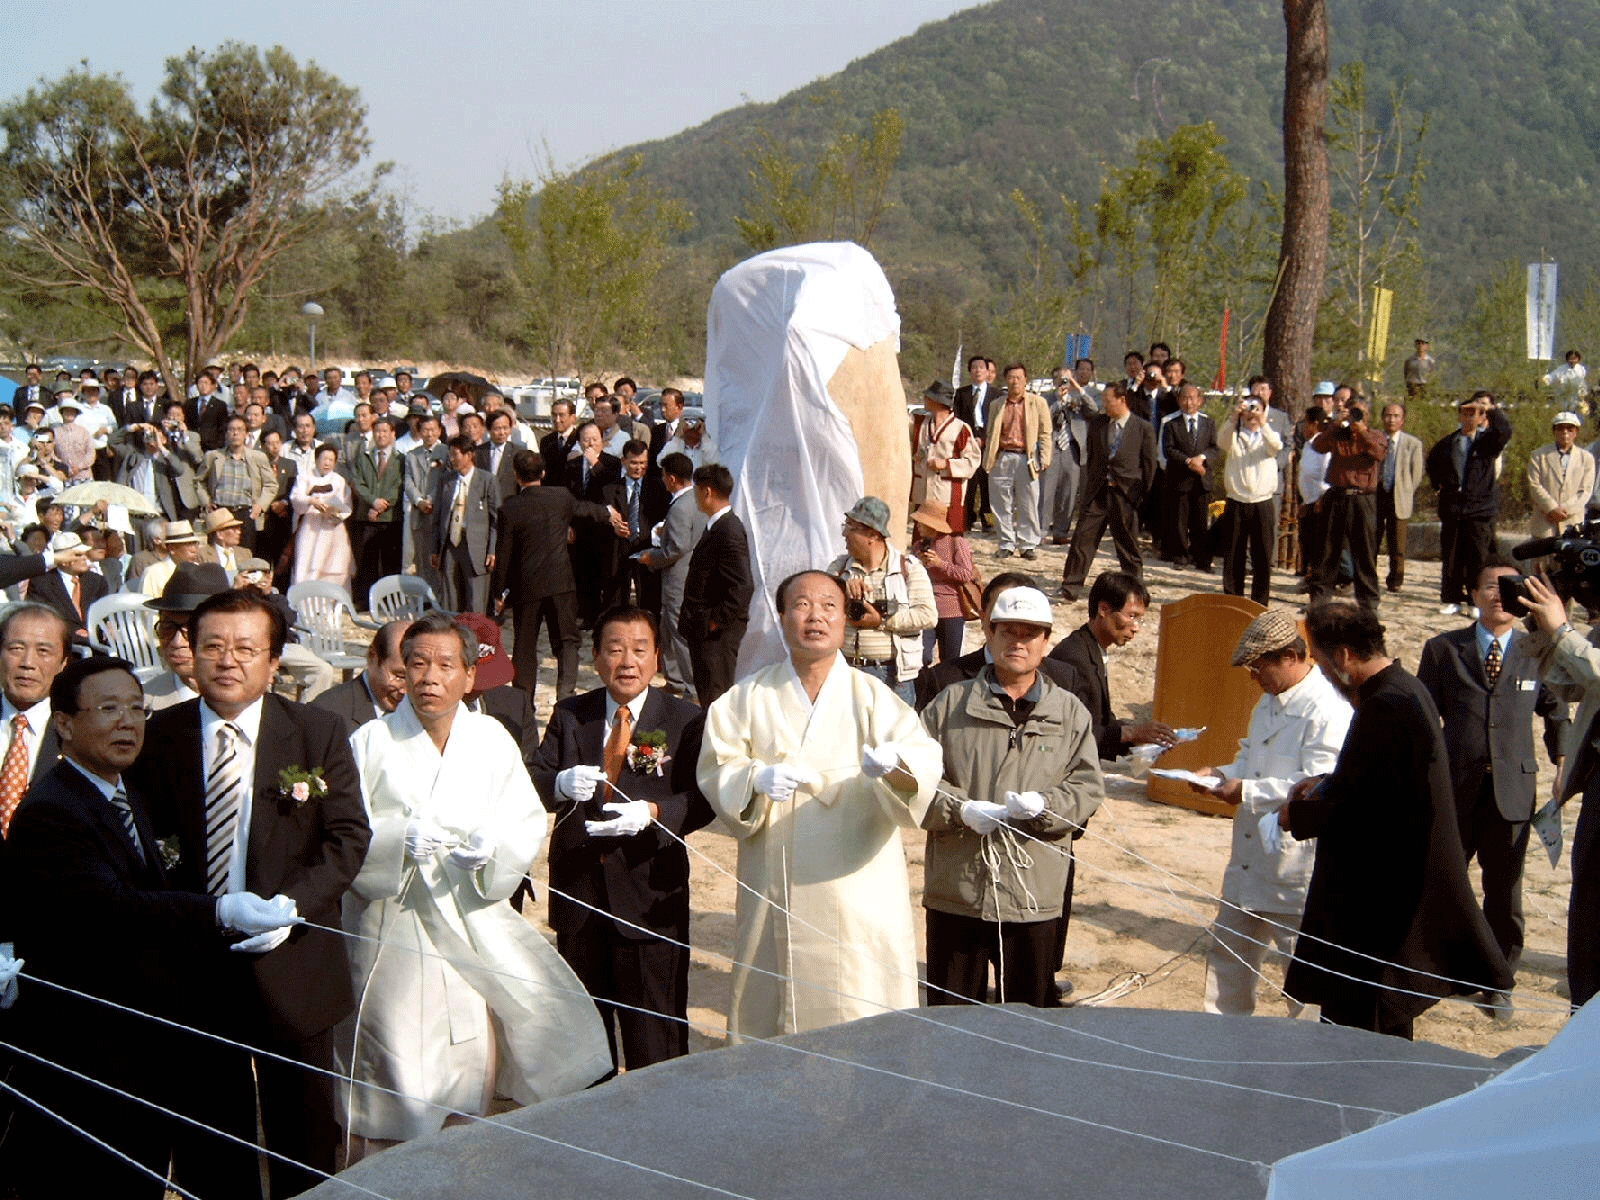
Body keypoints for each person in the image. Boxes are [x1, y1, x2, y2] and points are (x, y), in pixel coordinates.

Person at [2, 657, 298, 1198]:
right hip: (85, 1046)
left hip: (135, 1043)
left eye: (137, 709)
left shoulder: (121, 792)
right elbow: (114, 909)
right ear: (65, 723)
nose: (128, 722)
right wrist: (220, 912)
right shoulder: (54, 809)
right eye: (108, 708)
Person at [128, 588, 371, 1197]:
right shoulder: (157, 738)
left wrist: (292, 908)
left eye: (244, 648)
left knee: (305, 1141)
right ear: (189, 651)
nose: (227, 660)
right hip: (192, 970)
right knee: (211, 1142)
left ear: (273, 660)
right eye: (211, 645)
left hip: (292, 971)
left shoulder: (317, 731)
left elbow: (346, 839)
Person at [342, 612, 609, 1155]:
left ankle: (461, 1165)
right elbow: (345, 831)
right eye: (415, 664)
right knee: (396, 1059)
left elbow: (524, 817)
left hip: (470, 919)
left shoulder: (489, 738)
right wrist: (396, 839)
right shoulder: (371, 741)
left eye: (445, 665)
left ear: (470, 675)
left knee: (467, 1058)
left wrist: (494, 846)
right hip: (397, 925)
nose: (428, 677)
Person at [697, 570, 944, 1039]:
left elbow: (923, 762)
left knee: (859, 990)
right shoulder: (745, 698)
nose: (816, 616)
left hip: (857, 876)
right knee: (774, 993)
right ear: (782, 615)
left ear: (845, 619)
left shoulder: (874, 697)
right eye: (802, 605)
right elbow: (718, 767)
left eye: (829, 605)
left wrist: (893, 767)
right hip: (777, 873)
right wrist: (754, 779)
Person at [1277, 601, 1512, 1039]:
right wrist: (1327, 782)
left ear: (1343, 656)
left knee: (1364, 1043)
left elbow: (1369, 811)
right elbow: (1380, 780)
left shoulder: (1389, 704)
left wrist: (1300, 813)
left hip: (1377, 914)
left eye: (1323, 660)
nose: (1323, 671)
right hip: (1384, 905)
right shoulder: (1401, 690)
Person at [531, 606, 713, 1071]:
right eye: (614, 649)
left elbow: (704, 800)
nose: (626, 662)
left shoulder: (685, 718)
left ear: (656, 658)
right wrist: (558, 783)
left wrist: (655, 813)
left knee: (656, 1035)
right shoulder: (572, 713)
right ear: (596, 657)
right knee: (585, 1034)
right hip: (581, 895)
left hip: (650, 897)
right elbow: (535, 777)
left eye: (638, 650)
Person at [919, 586, 1103, 1006]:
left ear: (1045, 641)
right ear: (990, 632)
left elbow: (1087, 786)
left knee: (1027, 1025)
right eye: (1008, 632)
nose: (1018, 642)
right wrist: (959, 809)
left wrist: (1047, 808)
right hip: (959, 889)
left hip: (1033, 892)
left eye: (1030, 633)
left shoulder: (1069, 711)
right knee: (951, 1021)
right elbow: (912, 779)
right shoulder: (950, 705)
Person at [1417, 559, 1565, 1021]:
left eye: (1507, 587)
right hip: (1454, 789)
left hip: (1513, 793)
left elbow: (1557, 713)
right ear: (1473, 593)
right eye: (1488, 587)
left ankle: (1499, 979)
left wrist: (1564, 766)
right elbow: (1423, 717)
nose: (1498, 595)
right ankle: (1445, 971)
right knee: (1447, 882)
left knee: (1505, 893)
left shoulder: (1537, 649)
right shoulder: (1443, 649)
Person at [1189, 610, 1352, 1017]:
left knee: (1304, 977)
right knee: (1228, 960)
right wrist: (1221, 774)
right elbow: (1251, 757)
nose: (1253, 675)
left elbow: (1318, 785)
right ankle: (1223, 1045)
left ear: (1290, 657)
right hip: (1248, 863)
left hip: (1295, 869)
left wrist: (1247, 790)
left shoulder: (1327, 709)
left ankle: (1303, 1063)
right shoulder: (1268, 702)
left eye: (1259, 665)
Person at [1523, 573, 1600, 1008]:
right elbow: (1571, 684)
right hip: (1596, 783)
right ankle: (1583, 1010)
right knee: (1588, 902)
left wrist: (1562, 631)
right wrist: (1540, 632)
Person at [490, 449, 617, 703]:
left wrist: (498, 592)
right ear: (544, 473)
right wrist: (609, 512)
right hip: (560, 582)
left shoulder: (510, 508)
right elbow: (585, 509)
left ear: (516, 475)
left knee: (524, 646)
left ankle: (524, 700)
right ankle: (566, 694)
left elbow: (502, 556)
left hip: (526, 587)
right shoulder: (560, 497)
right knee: (567, 642)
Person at [827, 495, 936, 703]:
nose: (844, 534)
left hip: (892, 675)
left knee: (892, 735)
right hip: (844, 672)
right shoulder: (839, 569)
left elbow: (928, 616)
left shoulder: (908, 569)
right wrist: (842, 592)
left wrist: (881, 620)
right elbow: (821, 606)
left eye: (850, 527)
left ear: (872, 534)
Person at [1059, 383, 1157, 600]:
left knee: (1127, 545)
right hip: (1098, 493)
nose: (1104, 405)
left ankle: (1134, 589)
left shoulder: (1142, 428)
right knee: (1083, 539)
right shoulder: (1098, 424)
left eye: (1108, 400)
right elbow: (1093, 458)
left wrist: (1141, 496)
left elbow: (1149, 465)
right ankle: (1071, 585)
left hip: (1126, 495)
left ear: (1122, 400)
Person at [1425, 391, 1512, 616]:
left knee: (1478, 558)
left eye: (1475, 413)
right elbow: (1432, 462)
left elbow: (1505, 431)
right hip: (1453, 508)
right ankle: (1451, 598)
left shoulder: (1487, 443)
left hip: (1479, 509)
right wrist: (1438, 486)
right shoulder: (1449, 442)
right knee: (1451, 556)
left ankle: (1475, 601)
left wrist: (1490, 409)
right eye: (1465, 412)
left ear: (1483, 416)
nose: (1470, 417)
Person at [680, 463, 752, 706]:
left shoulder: (729, 529)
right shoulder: (716, 526)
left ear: (707, 492)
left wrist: (715, 621)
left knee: (716, 697)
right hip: (702, 629)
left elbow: (742, 586)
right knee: (706, 692)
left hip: (717, 636)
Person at [1307, 399, 1388, 611]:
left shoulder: (1375, 436)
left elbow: (1378, 453)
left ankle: (1368, 603)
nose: (1354, 417)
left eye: (1359, 413)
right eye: (1352, 413)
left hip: (1363, 497)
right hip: (1338, 494)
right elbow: (1318, 446)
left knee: (1365, 553)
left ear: (1368, 416)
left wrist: (1360, 431)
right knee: (1327, 550)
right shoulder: (1337, 435)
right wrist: (1335, 423)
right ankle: (1319, 599)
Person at [0, 603, 74, 832]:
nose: (27, 663)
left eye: (43, 651)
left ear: (63, 663)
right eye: (16, 649)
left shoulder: (78, 733)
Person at [638, 452, 706, 698]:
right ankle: (676, 680)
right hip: (694, 574)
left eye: (665, 476)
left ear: (672, 478)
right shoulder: (697, 499)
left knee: (678, 632)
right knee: (673, 630)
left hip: (679, 578)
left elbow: (676, 547)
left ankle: (689, 685)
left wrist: (651, 558)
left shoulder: (680, 506)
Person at [1215, 391, 1283, 605]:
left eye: (1257, 408)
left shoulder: (1268, 435)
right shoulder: (1235, 434)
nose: (1252, 413)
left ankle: (1259, 601)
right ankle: (1233, 597)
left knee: (1262, 555)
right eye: (1249, 408)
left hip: (1262, 501)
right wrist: (1234, 417)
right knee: (1233, 554)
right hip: (1236, 500)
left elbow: (1276, 447)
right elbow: (1222, 442)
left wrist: (1263, 423)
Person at [981, 363, 1052, 559]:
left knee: (1028, 502)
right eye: (1011, 377)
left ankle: (1028, 544)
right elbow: (991, 433)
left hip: (1026, 457)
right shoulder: (997, 404)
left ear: (1025, 380)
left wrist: (1045, 456)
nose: (1015, 381)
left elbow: (1046, 432)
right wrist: (990, 457)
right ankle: (1006, 543)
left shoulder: (1037, 403)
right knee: (1000, 503)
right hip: (1002, 456)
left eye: (1019, 377)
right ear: (1006, 380)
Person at [143, 562, 231, 711]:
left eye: (192, 629)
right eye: (167, 627)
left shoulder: (258, 701)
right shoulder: (143, 704)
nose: (177, 642)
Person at [432, 432, 500, 614]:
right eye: (450, 454)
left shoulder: (487, 480)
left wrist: (492, 550)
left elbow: (496, 520)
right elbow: (437, 517)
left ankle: (475, 636)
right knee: (449, 597)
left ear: (469, 455)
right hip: (450, 546)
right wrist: (435, 549)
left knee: (475, 599)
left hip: (476, 547)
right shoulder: (446, 481)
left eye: (455, 454)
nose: (452, 459)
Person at [602, 439, 669, 613]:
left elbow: (665, 516)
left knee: (650, 602)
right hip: (619, 551)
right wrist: (613, 526)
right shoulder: (609, 488)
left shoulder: (658, 487)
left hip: (647, 550)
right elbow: (602, 517)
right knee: (616, 604)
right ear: (623, 461)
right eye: (633, 463)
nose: (638, 468)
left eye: (643, 463)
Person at [347, 416, 405, 606]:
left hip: (391, 518)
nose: (380, 435)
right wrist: (373, 501)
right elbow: (358, 483)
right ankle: (365, 600)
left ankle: (391, 601)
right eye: (377, 431)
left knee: (390, 562)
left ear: (393, 434)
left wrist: (383, 504)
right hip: (367, 516)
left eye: (384, 431)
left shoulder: (400, 460)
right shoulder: (364, 458)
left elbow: (399, 485)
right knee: (367, 561)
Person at [1158, 383, 1218, 570]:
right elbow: (1169, 449)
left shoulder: (1209, 423)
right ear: (1179, 400)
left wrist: (1202, 459)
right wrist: (1188, 462)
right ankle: (1181, 556)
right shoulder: (1171, 423)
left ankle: (1201, 558)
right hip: (1179, 478)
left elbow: (1215, 448)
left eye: (1192, 398)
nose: (1188, 402)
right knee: (1179, 520)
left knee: (1200, 521)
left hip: (1201, 478)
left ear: (1200, 401)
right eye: (1184, 398)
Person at [910, 381, 980, 533]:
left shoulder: (960, 428)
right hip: (923, 491)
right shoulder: (920, 423)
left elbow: (972, 461)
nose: (925, 400)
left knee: (948, 538)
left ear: (937, 401)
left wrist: (947, 464)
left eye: (928, 397)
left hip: (948, 493)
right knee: (921, 536)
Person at [910, 502, 975, 667]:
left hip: (951, 611)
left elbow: (966, 574)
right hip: (924, 608)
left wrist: (940, 563)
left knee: (950, 662)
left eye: (921, 522)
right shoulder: (918, 546)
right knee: (921, 657)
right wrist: (918, 565)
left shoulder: (956, 542)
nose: (917, 526)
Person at [314, 619, 411, 728]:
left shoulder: (424, 714)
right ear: (372, 657)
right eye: (399, 677)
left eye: (414, 679)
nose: (406, 691)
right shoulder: (326, 713)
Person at [199, 414, 276, 550]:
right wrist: (206, 502)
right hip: (220, 511)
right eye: (231, 430)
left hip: (245, 513)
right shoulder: (213, 456)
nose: (235, 433)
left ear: (246, 434)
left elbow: (271, 484)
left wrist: (260, 505)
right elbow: (199, 481)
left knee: (245, 555)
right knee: (219, 554)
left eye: (240, 430)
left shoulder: (258, 457)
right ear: (226, 434)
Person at [1375, 402, 1424, 593]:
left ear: (1402, 420)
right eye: (1388, 415)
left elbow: (1416, 474)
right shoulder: (1376, 439)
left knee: (1398, 544)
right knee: (1372, 540)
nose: (1391, 419)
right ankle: (1370, 577)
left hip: (1399, 497)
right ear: (1382, 418)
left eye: (1396, 416)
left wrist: (1405, 491)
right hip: (1377, 495)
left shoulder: (1413, 444)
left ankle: (1395, 580)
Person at [290, 443, 354, 588]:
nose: (327, 463)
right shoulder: (304, 477)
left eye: (331, 460)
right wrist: (310, 500)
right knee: (305, 561)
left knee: (333, 564)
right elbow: (295, 497)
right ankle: (304, 601)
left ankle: (330, 602)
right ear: (317, 459)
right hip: (310, 524)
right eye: (324, 459)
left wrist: (335, 512)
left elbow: (346, 505)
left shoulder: (339, 480)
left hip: (332, 527)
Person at [1526, 411, 1595, 540]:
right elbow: (1534, 485)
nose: (1565, 433)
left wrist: (1565, 509)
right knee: (1542, 559)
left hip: (1573, 524)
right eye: (1560, 428)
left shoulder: (1586, 458)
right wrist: (1551, 508)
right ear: (1554, 431)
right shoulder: (1538, 455)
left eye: (1570, 429)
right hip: (1544, 523)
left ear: (1576, 432)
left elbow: (1585, 490)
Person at [25, 531, 106, 638]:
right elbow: (42, 618)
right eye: (78, 555)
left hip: (97, 640)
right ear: (63, 560)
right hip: (63, 641)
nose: (85, 558)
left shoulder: (97, 582)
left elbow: (105, 613)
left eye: (85, 554)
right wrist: (73, 631)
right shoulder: (41, 584)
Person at [953, 355, 997, 530]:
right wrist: (969, 439)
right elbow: (957, 419)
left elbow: (997, 421)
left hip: (988, 440)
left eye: (981, 367)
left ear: (988, 372)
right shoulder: (962, 394)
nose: (978, 370)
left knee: (988, 487)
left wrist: (984, 438)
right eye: (974, 367)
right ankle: (966, 520)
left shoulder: (996, 394)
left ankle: (989, 522)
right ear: (970, 371)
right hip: (968, 440)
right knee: (968, 484)